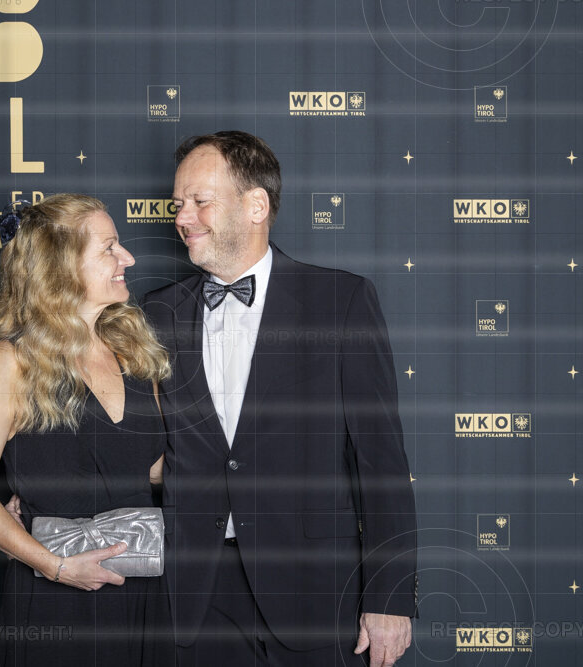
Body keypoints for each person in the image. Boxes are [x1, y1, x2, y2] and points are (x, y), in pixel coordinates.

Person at [140, 131, 418, 666]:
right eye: (177, 204)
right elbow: (119, 436)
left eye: (200, 201)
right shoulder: (155, 314)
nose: (182, 217)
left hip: (314, 590)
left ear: (256, 206)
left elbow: (381, 461)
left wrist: (389, 596)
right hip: (194, 598)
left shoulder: (339, 302)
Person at [0, 194, 174, 667]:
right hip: (58, 601)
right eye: (109, 248)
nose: (128, 258)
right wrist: (57, 567)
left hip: (145, 594)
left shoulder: (131, 348)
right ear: (61, 268)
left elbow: (151, 469)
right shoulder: (11, 362)